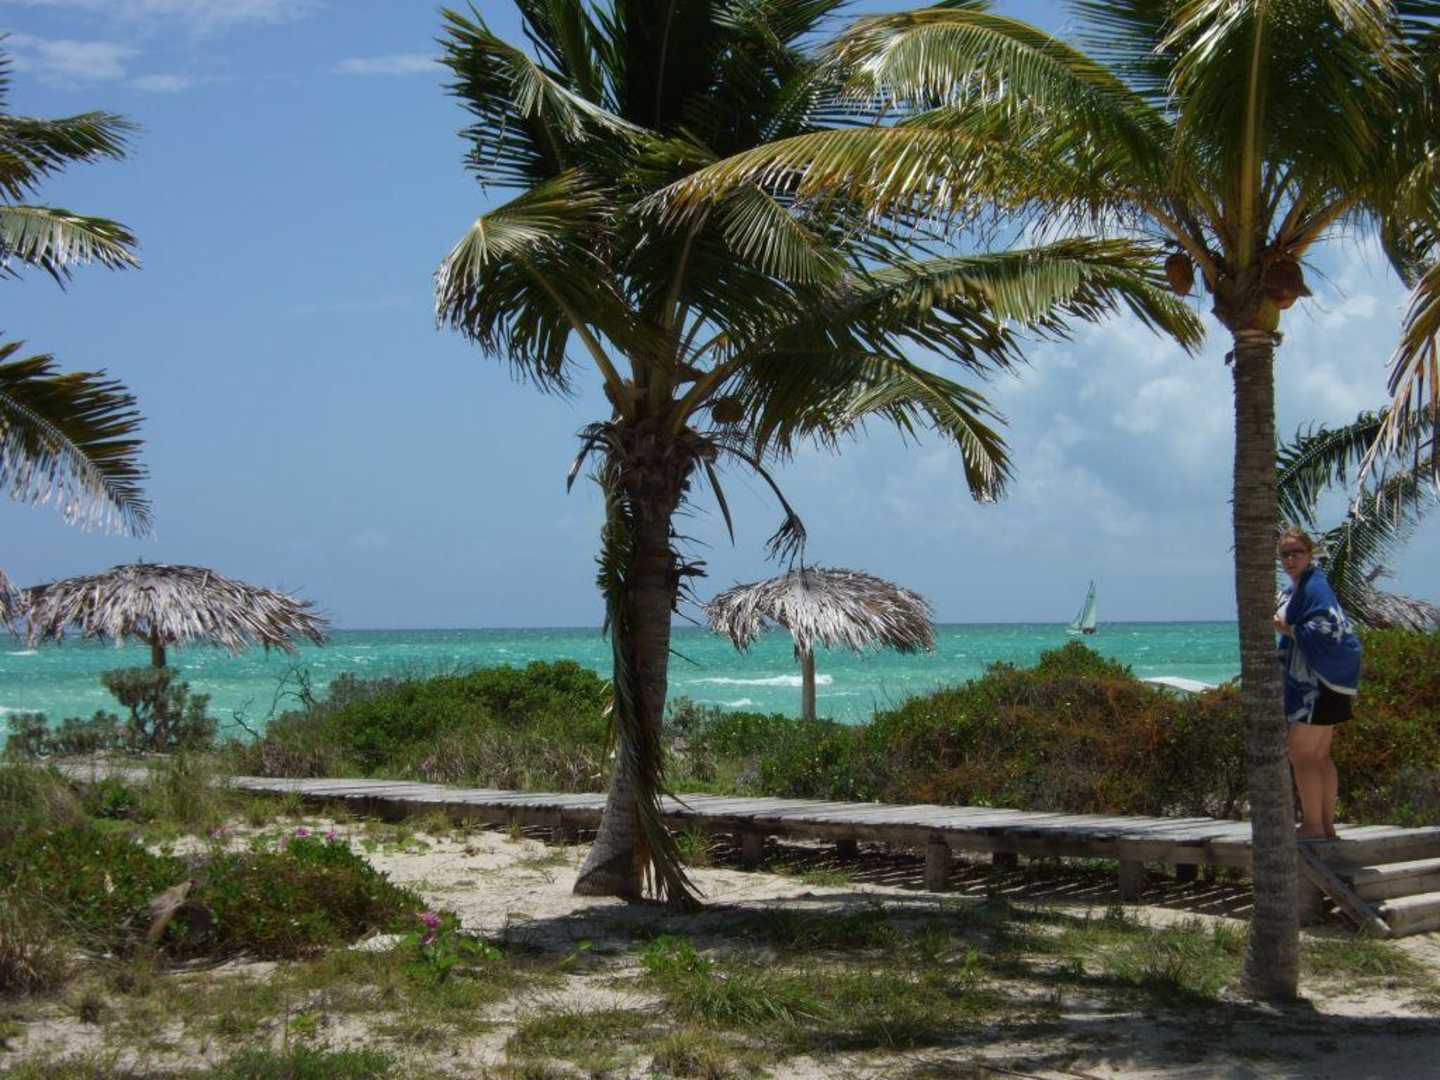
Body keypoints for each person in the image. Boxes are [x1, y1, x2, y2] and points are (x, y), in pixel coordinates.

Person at [1274, 527, 1362, 841]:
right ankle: (1325, 825)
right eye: (1285, 554)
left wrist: (1287, 629)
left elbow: (1327, 627)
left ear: (1309, 554)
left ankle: (1313, 825)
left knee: (1299, 752)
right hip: (1329, 682)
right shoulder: (1301, 587)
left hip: (1318, 683)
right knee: (1319, 755)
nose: (1290, 559)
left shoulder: (1314, 586)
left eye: (1296, 553)